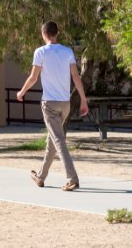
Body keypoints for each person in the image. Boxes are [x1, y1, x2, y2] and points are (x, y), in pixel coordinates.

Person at [16, 21, 89, 191]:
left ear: (43, 34)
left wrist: (21, 92)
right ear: (57, 33)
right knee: (52, 140)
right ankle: (40, 176)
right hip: (65, 103)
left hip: (49, 103)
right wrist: (83, 100)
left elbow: (33, 78)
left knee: (58, 140)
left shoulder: (40, 52)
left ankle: (72, 178)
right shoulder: (67, 52)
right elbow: (76, 77)